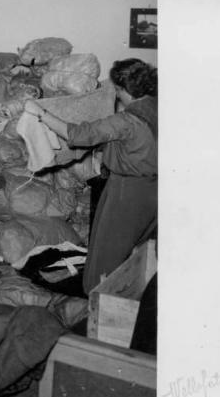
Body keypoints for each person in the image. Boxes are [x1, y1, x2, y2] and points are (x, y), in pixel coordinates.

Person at [28, 58, 157, 294]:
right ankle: (133, 293)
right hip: (155, 190)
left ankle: (97, 297)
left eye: (118, 90)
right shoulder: (158, 108)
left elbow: (78, 134)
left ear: (123, 89)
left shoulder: (127, 121)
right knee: (139, 247)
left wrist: (41, 113)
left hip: (127, 191)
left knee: (107, 248)